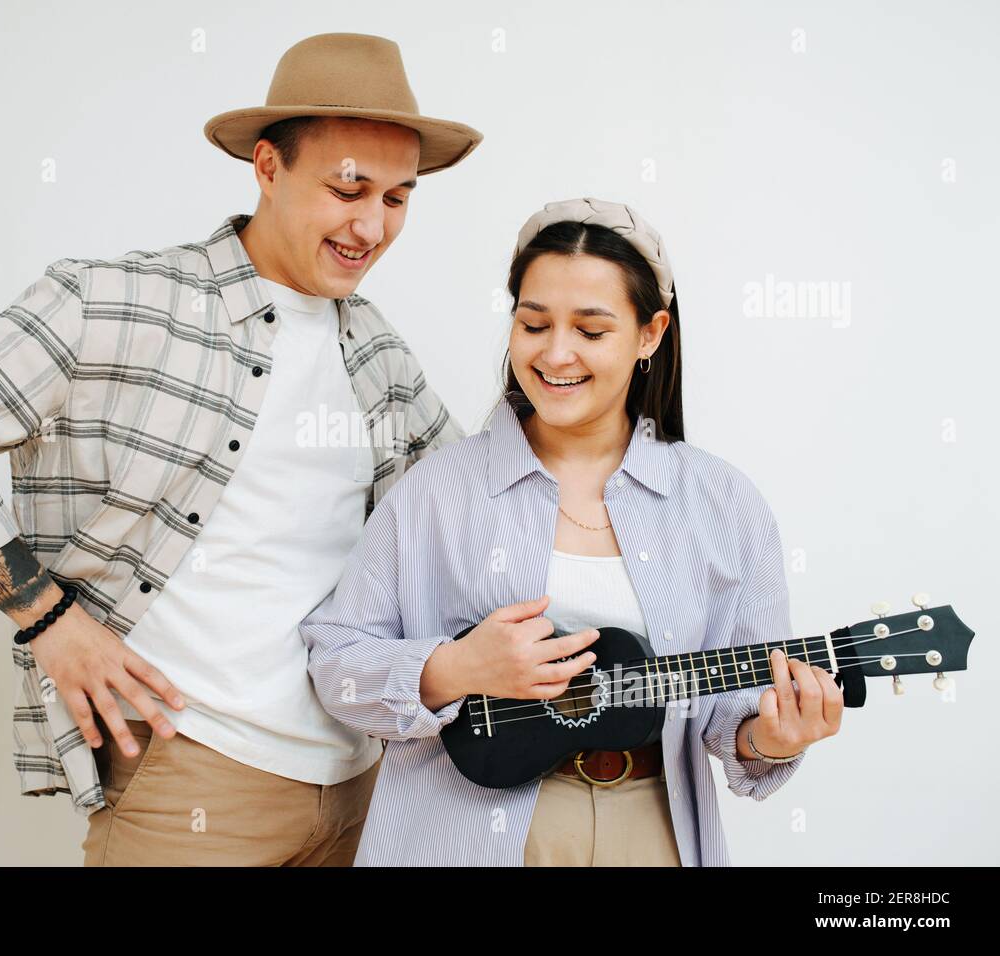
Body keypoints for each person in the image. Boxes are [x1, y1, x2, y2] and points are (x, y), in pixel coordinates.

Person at [0, 33, 481, 866]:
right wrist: (49, 618)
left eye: (397, 197)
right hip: (191, 783)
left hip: (362, 790)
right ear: (268, 167)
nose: (371, 225)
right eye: (348, 187)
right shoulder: (121, 303)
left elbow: (467, 512)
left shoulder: (377, 352)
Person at [299, 197, 845, 866]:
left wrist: (771, 738)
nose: (557, 353)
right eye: (534, 324)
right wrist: (454, 668)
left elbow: (731, 709)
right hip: (461, 835)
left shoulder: (724, 505)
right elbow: (334, 662)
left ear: (650, 334)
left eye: (591, 330)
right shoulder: (437, 491)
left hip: (649, 828)